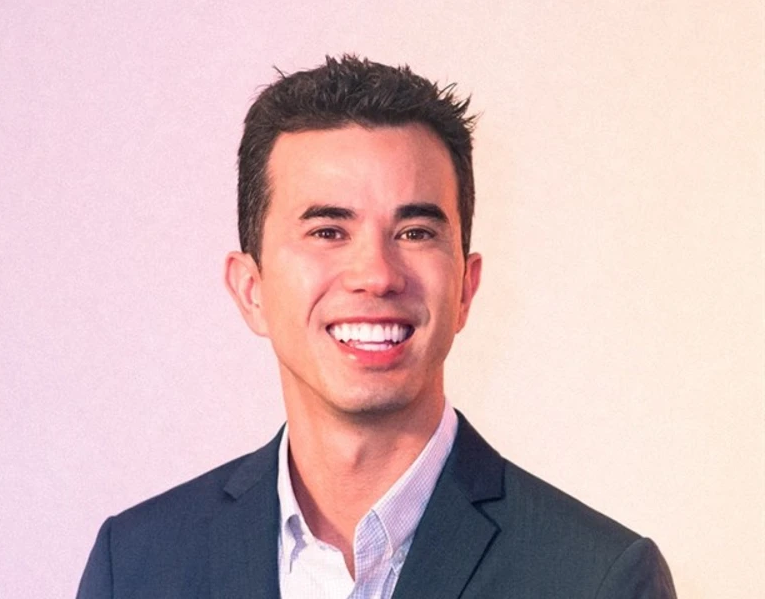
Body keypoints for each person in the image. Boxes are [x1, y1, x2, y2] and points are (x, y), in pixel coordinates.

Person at [77, 55, 677, 598]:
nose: (376, 275)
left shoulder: (596, 577)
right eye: (328, 231)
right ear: (250, 289)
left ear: (465, 288)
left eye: (415, 233)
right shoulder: (136, 565)